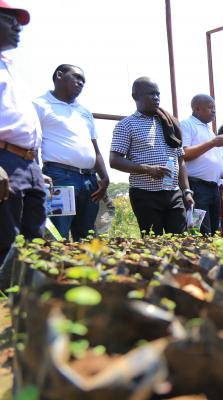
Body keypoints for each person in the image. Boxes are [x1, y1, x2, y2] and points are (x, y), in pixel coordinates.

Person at [33, 64, 110, 241]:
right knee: (58, 234)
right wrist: (36, 171)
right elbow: (32, 142)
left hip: (90, 182)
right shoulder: (39, 105)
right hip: (60, 178)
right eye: (77, 77)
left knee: (87, 236)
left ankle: (84, 269)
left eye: (83, 81)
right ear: (59, 75)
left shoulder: (84, 111)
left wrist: (104, 177)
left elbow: (94, 148)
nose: (81, 83)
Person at [109, 77, 194, 236]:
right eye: (151, 94)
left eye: (158, 94)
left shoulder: (168, 123)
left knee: (181, 241)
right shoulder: (126, 125)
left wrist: (187, 191)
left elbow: (180, 159)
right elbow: (114, 161)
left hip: (173, 192)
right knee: (153, 243)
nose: (156, 98)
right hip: (145, 194)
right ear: (135, 96)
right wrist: (147, 169)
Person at [0, 2, 49, 271]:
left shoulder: (10, 67)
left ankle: (24, 306)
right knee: (5, 242)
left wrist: (35, 168)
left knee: (34, 242)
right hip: (4, 161)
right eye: (9, 20)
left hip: (26, 165)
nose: (18, 27)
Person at [180, 94, 223, 235]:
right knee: (201, 232)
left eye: (215, 107)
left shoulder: (208, 129)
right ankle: (199, 257)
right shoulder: (187, 125)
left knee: (214, 231)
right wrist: (213, 143)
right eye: (210, 107)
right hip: (197, 187)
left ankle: (210, 257)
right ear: (197, 108)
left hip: (213, 188)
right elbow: (184, 154)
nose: (214, 111)